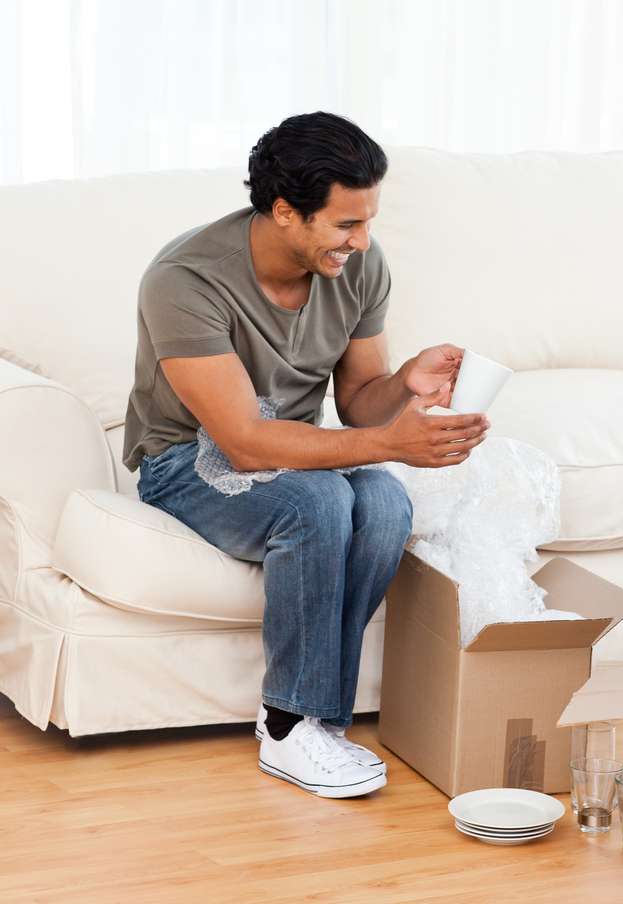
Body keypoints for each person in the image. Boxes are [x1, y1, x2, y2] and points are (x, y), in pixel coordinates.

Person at [124, 112, 489, 799]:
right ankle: (288, 725)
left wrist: (406, 381)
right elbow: (242, 441)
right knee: (318, 500)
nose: (362, 240)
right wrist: (389, 443)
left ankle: (319, 718)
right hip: (183, 461)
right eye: (346, 224)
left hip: (292, 452)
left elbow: (357, 401)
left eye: (369, 220)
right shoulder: (184, 280)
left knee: (384, 502)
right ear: (285, 212)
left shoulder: (356, 266)